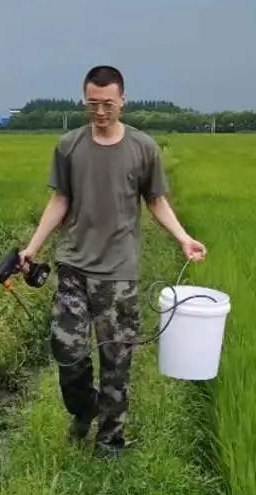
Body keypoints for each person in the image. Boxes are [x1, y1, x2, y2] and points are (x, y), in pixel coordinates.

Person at [18, 65, 207, 457]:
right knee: (67, 352)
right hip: (73, 265)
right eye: (92, 104)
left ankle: (110, 443)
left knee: (116, 362)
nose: (100, 111)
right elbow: (60, 200)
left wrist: (183, 238)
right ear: (84, 100)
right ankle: (84, 407)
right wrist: (33, 247)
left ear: (122, 100)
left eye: (107, 103)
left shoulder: (143, 148)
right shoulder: (69, 146)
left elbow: (155, 201)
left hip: (119, 273)